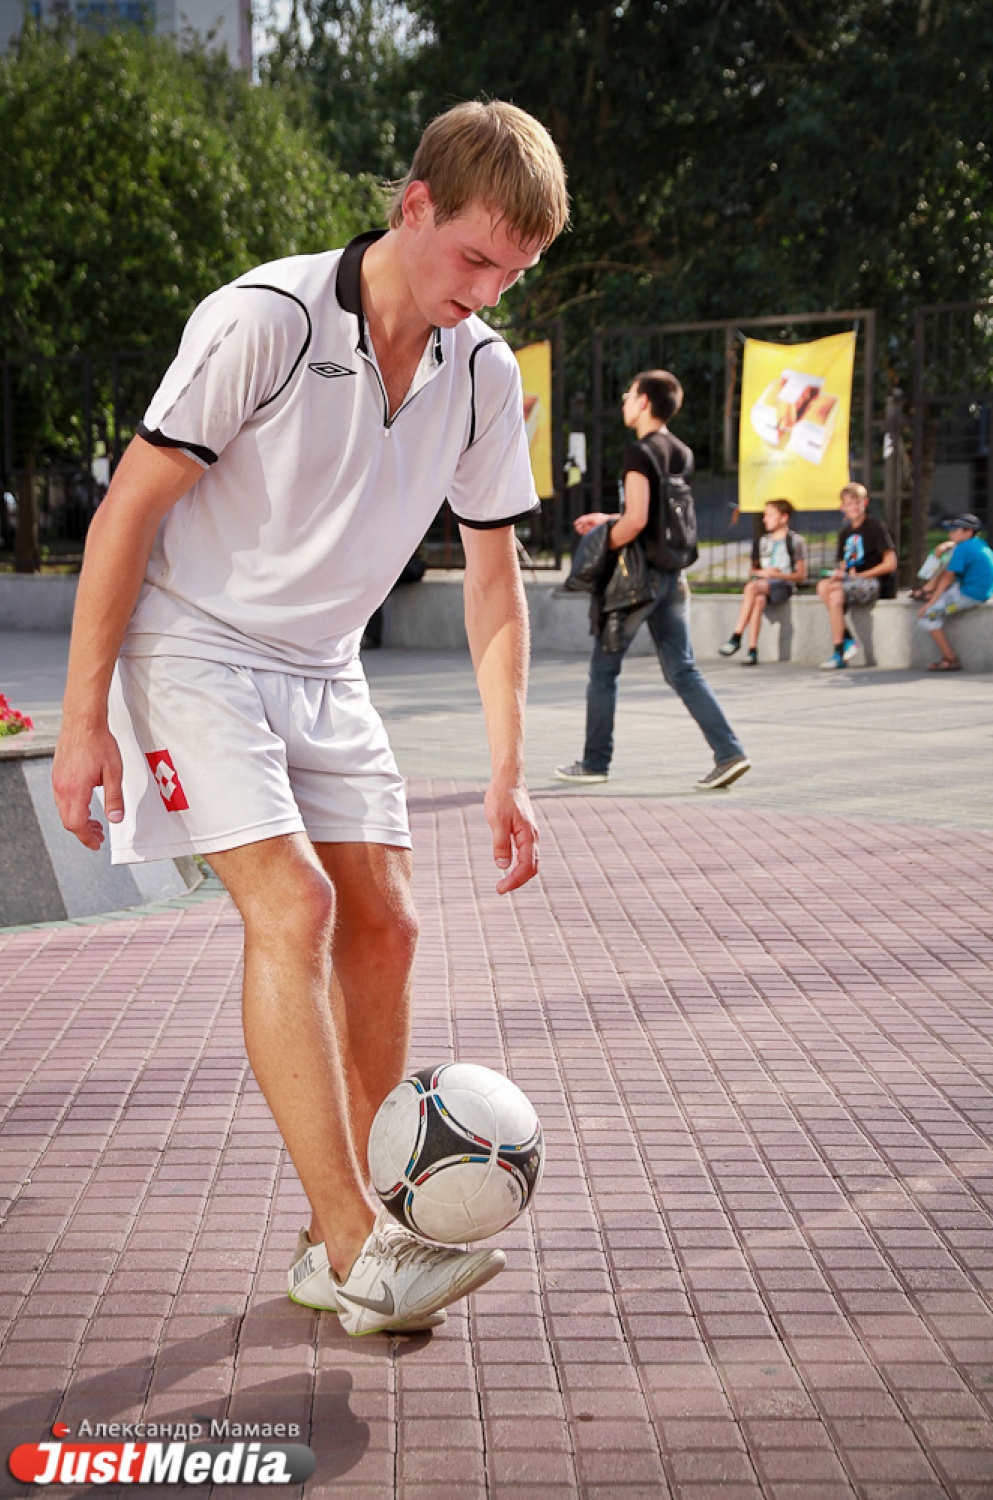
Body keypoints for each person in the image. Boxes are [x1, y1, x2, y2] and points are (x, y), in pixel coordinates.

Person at [51, 101, 569, 1338]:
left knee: (386, 926)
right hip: (194, 643)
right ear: (413, 206)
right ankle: (356, 1247)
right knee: (296, 906)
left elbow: (493, 584)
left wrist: (507, 767)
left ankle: (345, 1227)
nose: (486, 293)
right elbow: (126, 512)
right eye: (474, 259)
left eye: (512, 274)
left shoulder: (481, 373)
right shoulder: (268, 319)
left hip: (325, 668)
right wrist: (82, 721)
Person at [555, 370, 750, 790]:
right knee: (683, 670)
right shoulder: (680, 451)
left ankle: (594, 762)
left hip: (635, 584)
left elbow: (638, 521)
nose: (624, 401)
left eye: (629, 395)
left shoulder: (639, 453)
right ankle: (729, 753)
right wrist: (610, 518)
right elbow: (659, 517)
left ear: (643, 401)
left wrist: (600, 543)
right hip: (672, 578)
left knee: (603, 672)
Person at [816, 482, 897, 671]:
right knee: (823, 586)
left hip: (873, 582)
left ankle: (839, 652)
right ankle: (847, 640)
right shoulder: (845, 533)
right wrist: (840, 573)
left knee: (835, 592)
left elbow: (890, 563)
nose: (853, 507)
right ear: (842, 507)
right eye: (848, 504)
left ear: (864, 503)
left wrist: (860, 575)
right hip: (852, 581)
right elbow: (844, 564)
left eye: (856, 503)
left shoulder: (875, 527)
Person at [719, 499, 807, 665]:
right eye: (765, 515)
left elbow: (801, 575)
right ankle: (752, 650)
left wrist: (779, 575)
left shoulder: (795, 541)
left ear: (784, 518)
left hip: (783, 585)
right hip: (764, 585)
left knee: (751, 587)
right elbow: (753, 571)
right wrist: (763, 573)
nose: (765, 519)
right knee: (758, 600)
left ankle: (736, 636)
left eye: (770, 515)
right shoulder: (762, 541)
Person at [916, 512, 993, 671]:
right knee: (948, 553)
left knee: (928, 616)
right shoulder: (977, 543)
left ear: (968, 532)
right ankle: (928, 589)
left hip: (968, 596)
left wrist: (930, 604)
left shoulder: (963, 548)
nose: (950, 534)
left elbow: (947, 578)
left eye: (955, 530)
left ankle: (950, 659)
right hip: (977, 590)